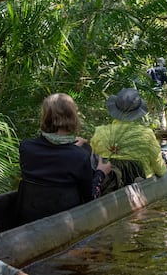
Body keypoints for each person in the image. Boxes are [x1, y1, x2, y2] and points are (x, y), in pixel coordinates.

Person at [16, 93, 112, 224]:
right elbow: (90, 198)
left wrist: (71, 147)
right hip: (64, 223)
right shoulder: (79, 156)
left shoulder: (26, 147)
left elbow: (52, 158)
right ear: (73, 117)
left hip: (28, 218)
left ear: (45, 117)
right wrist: (101, 172)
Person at [90, 88, 167, 185]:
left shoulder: (99, 132)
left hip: (109, 185)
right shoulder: (147, 134)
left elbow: (93, 164)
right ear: (138, 112)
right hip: (141, 182)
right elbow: (161, 171)